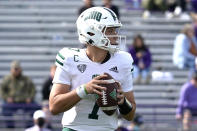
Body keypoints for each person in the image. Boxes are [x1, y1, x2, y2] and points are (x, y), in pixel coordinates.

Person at [49, 7, 136, 131]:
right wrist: (85, 89)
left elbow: (130, 115)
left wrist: (123, 103)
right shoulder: (70, 58)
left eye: (115, 30)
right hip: (74, 128)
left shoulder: (123, 60)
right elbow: (54, 107)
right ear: (92, 32)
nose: (116, 35)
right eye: (110, 30)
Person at [0, 60, 41, 128]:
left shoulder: (26, 79)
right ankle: (10, 128)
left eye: (17, 69)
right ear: (11, 69)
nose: (16, 71)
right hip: (12, 102)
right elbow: (1, 90)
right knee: (5, 109)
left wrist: (30, 98)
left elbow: (33, 89)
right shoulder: (7, 79)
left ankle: (29, 127)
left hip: (25, 102)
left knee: (36, 108)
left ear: (20, 69)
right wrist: (7, 98)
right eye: (14, 69)